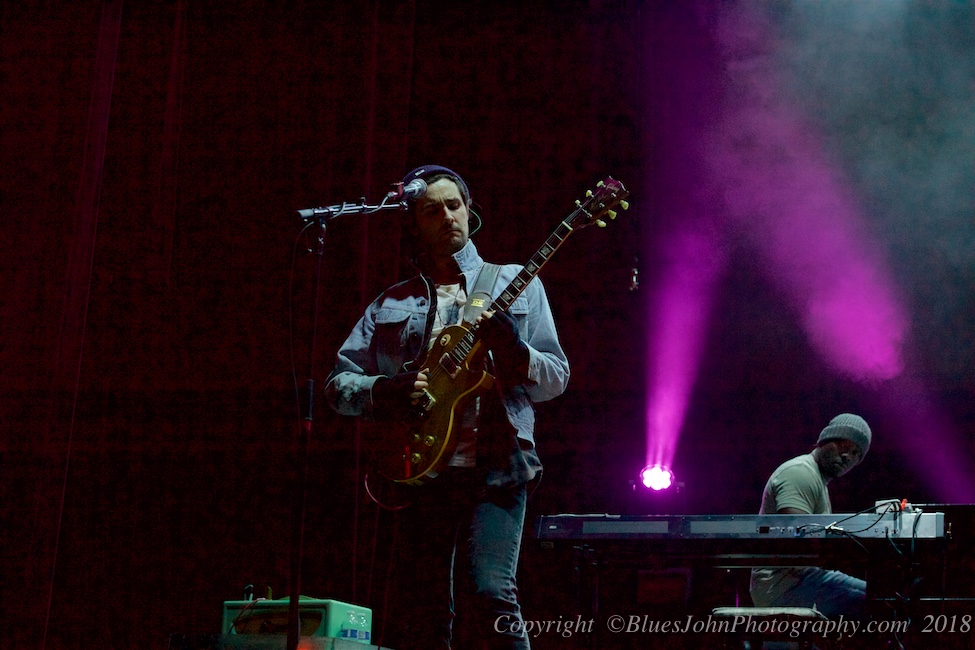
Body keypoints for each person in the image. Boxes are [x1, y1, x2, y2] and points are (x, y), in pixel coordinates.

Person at [324, 164, 570, 649]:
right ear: (414, 222)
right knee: (424, 606)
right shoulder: (391, 302)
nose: (446, 217)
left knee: (492, 592)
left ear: (470, 209)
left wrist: (517, 353)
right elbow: (337, 385)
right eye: (431, 210)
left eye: (453, 205)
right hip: (417, 466)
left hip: (497, 465)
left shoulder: (514, 283)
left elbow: (556, 378)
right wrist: (383, 390)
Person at [749, 413, 872, 619]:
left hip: (801, 579)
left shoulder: (818, 480)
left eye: (855, 453)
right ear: (823, 440)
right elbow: (798, 542)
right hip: (783, 586)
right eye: (843, 446)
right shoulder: (801, 473)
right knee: (878, 601)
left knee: (883, 597)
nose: (847, 457)